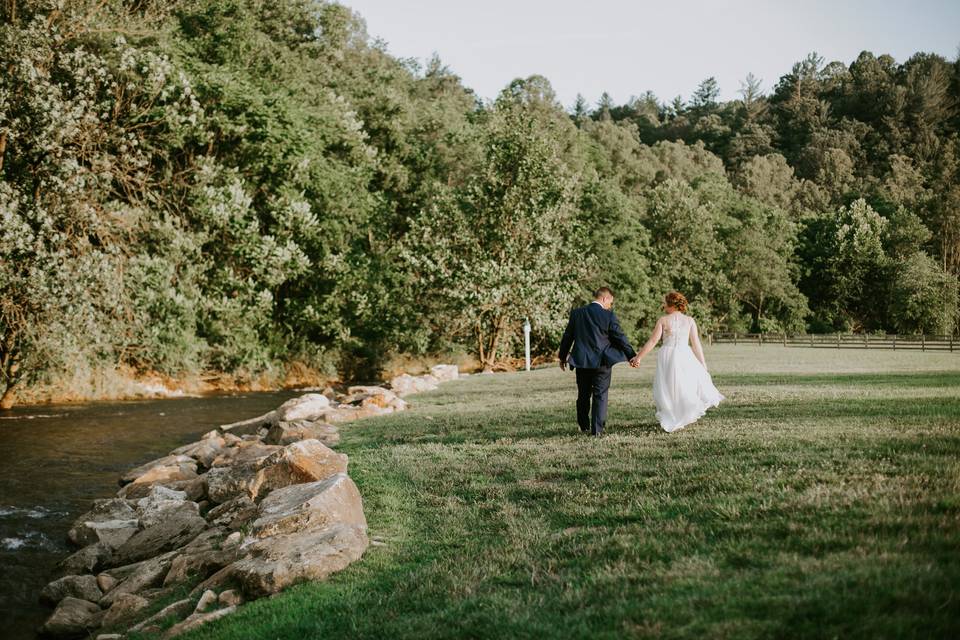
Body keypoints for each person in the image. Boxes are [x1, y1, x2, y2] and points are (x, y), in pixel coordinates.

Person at [630, 291, 724, 432]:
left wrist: (639, 357)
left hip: (668, 354)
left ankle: (673, 415)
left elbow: (653, 341)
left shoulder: (663, 320)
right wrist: (702, 363)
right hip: (684, 354)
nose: (663, 305)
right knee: (683, 384)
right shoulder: (689, 320)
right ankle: (679, 415)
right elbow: (696, 344)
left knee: (668, 386)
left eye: (665, 303)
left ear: (671, 305)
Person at [558, 287, 638, 436]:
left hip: (582, 361)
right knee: (600, 394)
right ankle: (597, 430)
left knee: (583, 394)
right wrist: (632, 355)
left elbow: (567, 337)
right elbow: (620, 337)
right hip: (602, 362)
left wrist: (562, 357)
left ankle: (583, 426)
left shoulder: (577, 313)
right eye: (610, 303)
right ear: (604, 299)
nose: (610, 306)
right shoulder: (608, 315)